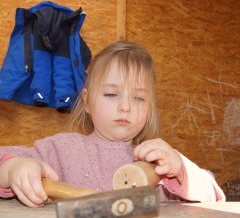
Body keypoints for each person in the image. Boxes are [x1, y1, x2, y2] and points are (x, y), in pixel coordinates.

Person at [0, 41, 225, 207]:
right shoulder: (60, 150)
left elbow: (214, 196)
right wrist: (14, 169)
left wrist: (181, 169)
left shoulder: (160, 162)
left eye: (138, 98)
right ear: (87, 101)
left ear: (149, 108)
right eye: (110, 94)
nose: (125, 107)